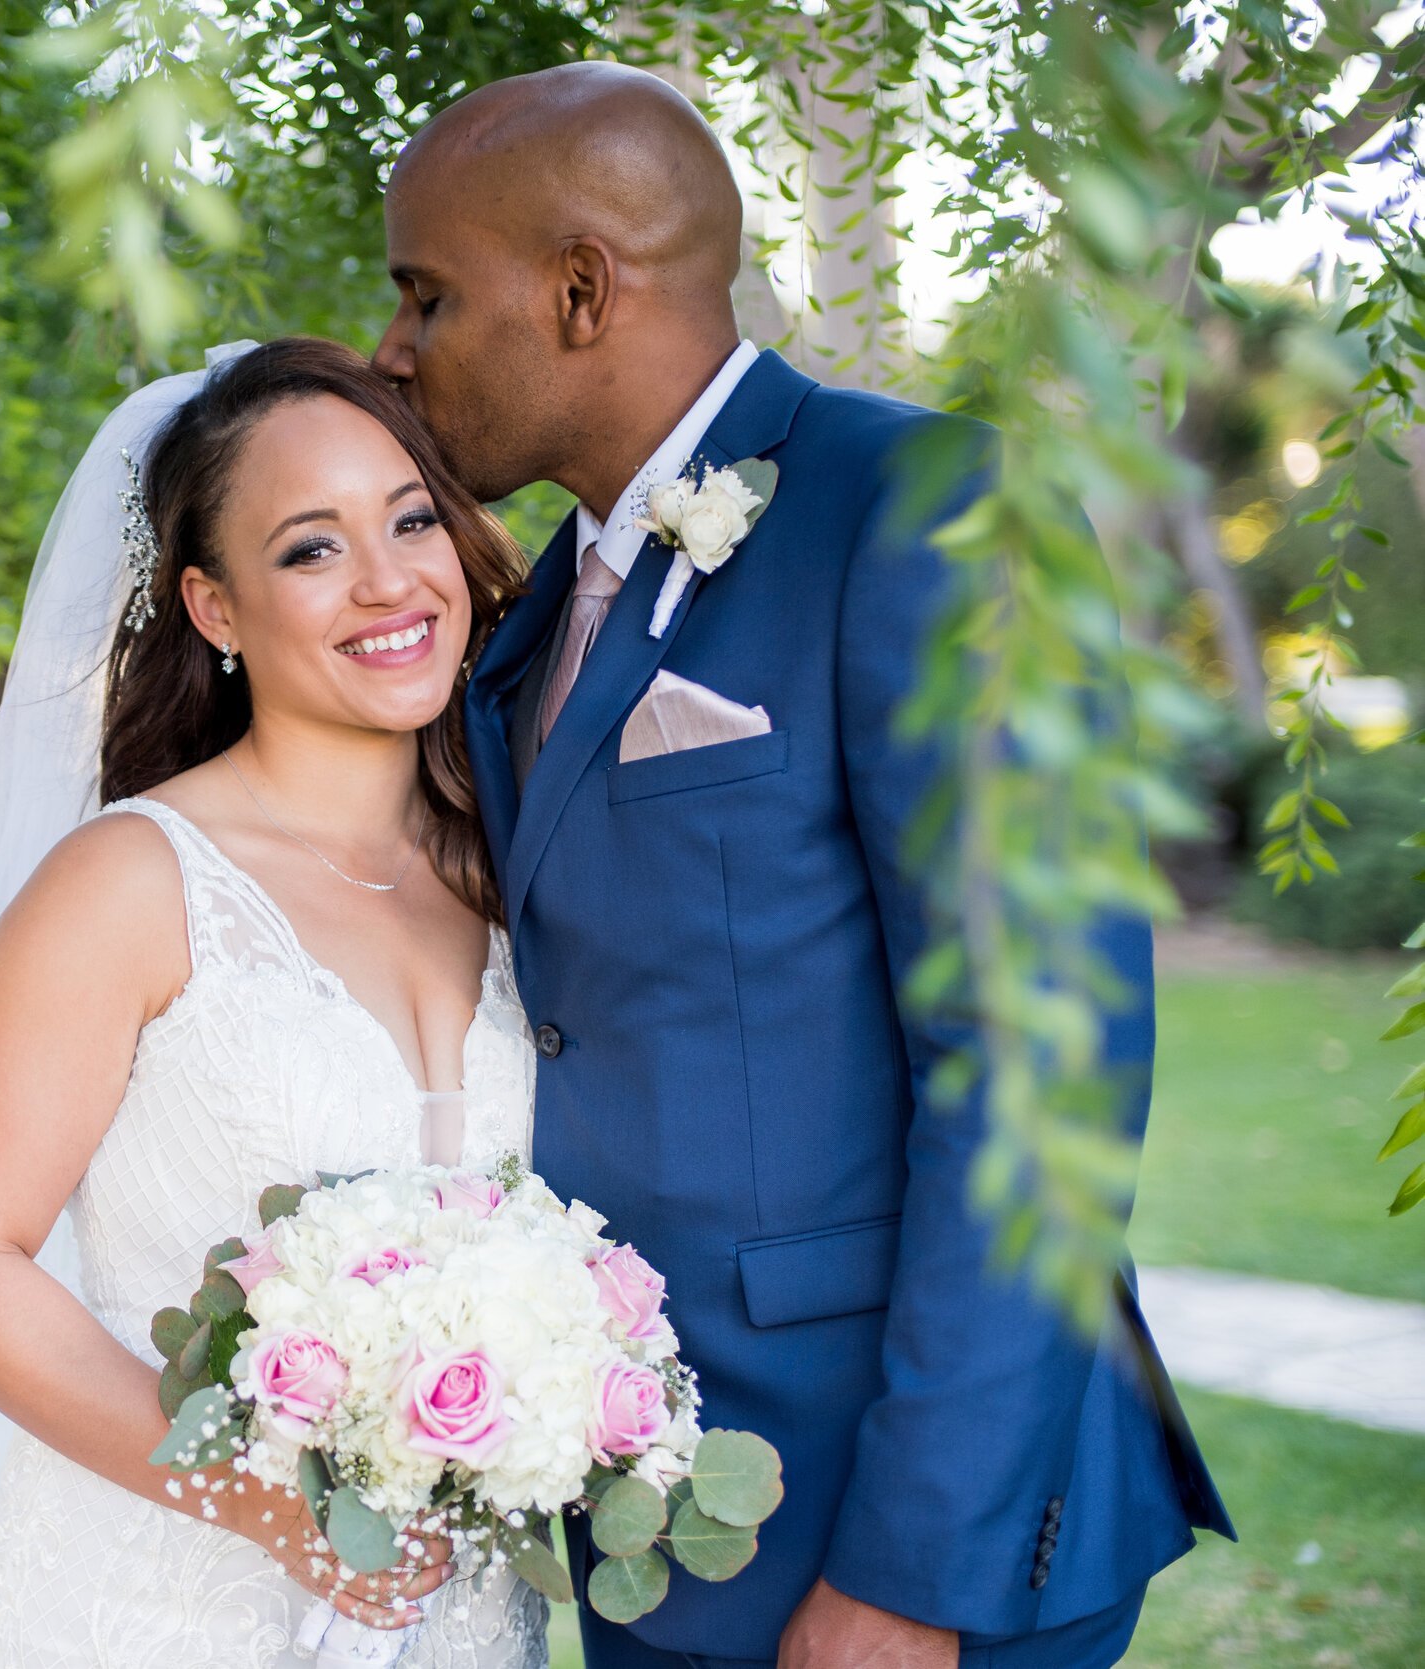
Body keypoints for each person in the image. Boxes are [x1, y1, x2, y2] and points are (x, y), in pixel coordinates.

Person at [372, 61, 1231, 1669]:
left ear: (579, 290)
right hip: (648, 1513)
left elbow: (1039, 1075)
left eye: (426, 294)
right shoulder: (529, 619)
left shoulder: (931, 507)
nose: (391, 349)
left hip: (901, 1536)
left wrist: (910, 1576)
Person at [0, 338, 550, 1668]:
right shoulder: (132, 883)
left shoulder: (509, 868)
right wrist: (269, 1505)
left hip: (465, 1616)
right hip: (170, 1603)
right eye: (312, 548)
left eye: (413, 518)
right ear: (215, 608)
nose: (391, 581)